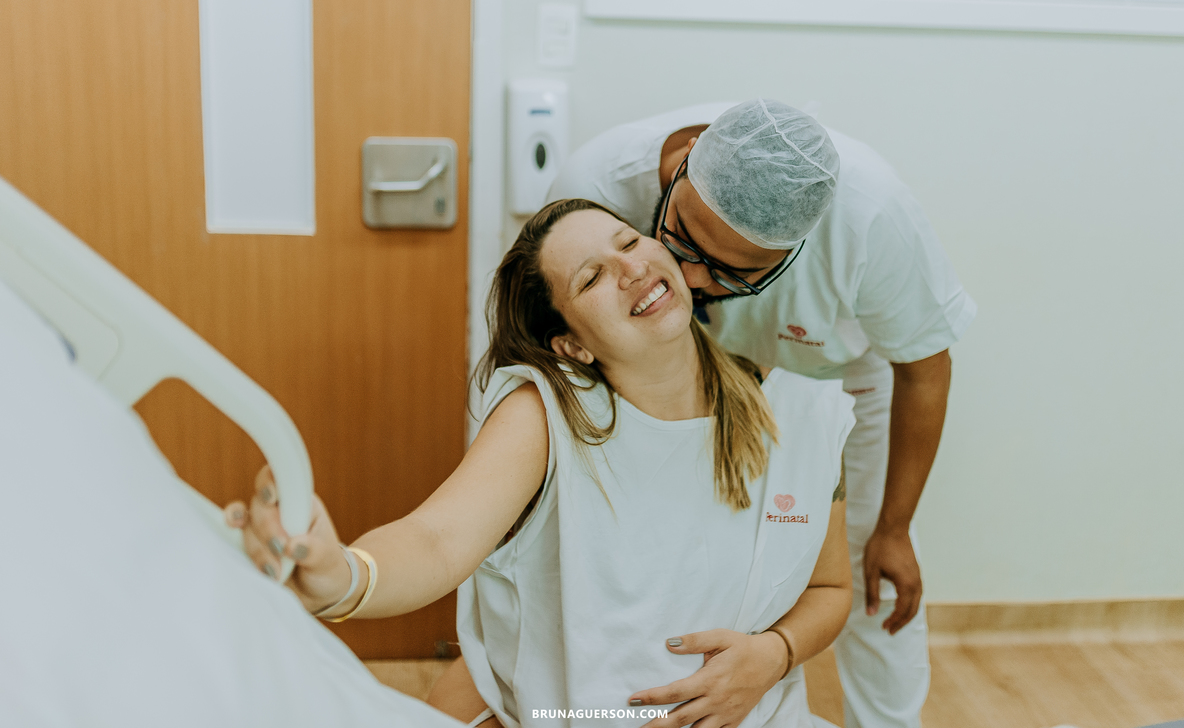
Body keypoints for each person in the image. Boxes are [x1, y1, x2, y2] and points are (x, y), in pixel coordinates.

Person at [228, 199, 857, 728]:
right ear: (572, 343)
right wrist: (344, 576)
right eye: (591, 278)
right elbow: (438, 540)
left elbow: (830, 590)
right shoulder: (552, 411)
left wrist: (776, 653)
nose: (631, 268)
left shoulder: (804, 416)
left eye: (629, 241)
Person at [540, 100, 978, 728]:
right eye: (681, 240)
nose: (690, 278)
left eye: (730, 272)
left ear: (797, 250)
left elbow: (924, 369)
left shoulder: (873, 217)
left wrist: (895, 527)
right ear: (684, 161)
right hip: (682, 368)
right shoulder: (597, 186)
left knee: (872, 568)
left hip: (834, 371)